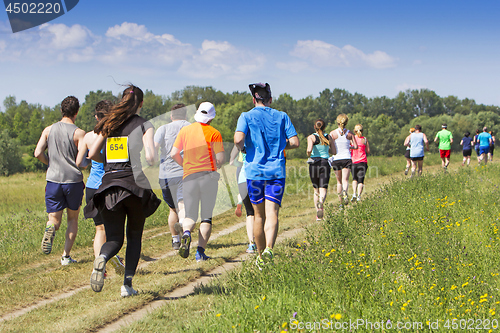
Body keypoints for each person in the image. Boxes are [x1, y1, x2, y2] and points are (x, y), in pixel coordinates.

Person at [85, 85, 160, 297]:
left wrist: (109, 162)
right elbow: (151, 157)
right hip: (134, 187)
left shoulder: (108, 123)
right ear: (141, 103)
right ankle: (127, 285)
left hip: (108, 186)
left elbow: (91, 153)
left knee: (114, 239)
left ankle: (102, 258)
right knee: (134, 236)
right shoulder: (143, 123)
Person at [234, 82, 299, 270]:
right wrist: (279, 146)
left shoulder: (246, 116)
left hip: (254, 172)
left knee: (258, 215)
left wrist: (244, 148)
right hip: (276, 171)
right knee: (273, 213)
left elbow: (238, 139)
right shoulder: (282, 116)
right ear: (270, 99)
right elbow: (295, 142)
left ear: (254, 99)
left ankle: (261, 256)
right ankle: (270, 248)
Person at [34, 96, 86, 265]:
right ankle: (65, 256)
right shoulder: (79, 133)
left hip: (53, 180)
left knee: (55, 219)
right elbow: (81, 162)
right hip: (73, 181)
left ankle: (50, 226)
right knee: (72, 219)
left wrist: (50, 163)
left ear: (61, 110)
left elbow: (37, 153)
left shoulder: (48, 130)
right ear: (76, 112)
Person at [171, 102, 225, 262]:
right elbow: (221, 158)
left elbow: (174, 153)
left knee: (190, 214)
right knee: (206, 216)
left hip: (189, 178)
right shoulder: (215, 133)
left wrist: (186, 165)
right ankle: (200, 253)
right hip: (208, 178)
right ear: (211, 117)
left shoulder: (185, 131)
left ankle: (186, 233)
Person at [76, 100, 124, 274]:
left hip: (92, 186)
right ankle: (108, 257)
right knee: (114, 229)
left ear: (96, 116)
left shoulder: (88, 136)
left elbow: (80, 162)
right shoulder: (116, 135)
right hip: (111, 185)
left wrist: (91, 161)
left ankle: (99, 266)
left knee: (99, 228)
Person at [154, 103, 190, 250]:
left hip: (165, 174)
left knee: (172, 209)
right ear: (185, 115)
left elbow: (154, 148)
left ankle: (175, 240)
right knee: (182, 205)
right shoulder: (190, 127)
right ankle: (183, 227)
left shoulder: (163, 128)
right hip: (184, 172)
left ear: (171, 115)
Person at [306, 119, 335, 220]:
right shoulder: (329, 137)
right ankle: (321, 204)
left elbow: (309, 150)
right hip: (325, 163)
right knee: (323, 188)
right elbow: (334, 152)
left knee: (316, 189)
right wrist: (327, 149)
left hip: (314, 163)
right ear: (324, 127)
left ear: (315, 127)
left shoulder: (311, 137)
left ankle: (318, 215)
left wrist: (308, 154)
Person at [230, 146, 256, 253]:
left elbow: (231, 162)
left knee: (250, 213)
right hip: (257, 178)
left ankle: (251, 244)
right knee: (259, 212)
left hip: (243, 178)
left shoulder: (241, 142)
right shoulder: (259, 138)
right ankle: (262, 241)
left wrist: (242, 164)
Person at [329, 114, 357, 207]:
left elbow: (330, 147)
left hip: (336, 158)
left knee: (339, 182)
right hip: (347, 158)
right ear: (346, 123)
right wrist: (349, 146)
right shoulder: (350, 134)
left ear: (337, 122)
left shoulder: (332, 134)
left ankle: (341, 202)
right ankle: (345, 192)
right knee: (345, 180)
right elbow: (356, 146)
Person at [351, 124, 370, 202]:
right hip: (362, 162)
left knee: (354, 179)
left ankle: (354, 193)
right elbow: (368, 151)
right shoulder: (365, 139)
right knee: (361, 180)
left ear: (354, 131)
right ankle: (359, 196)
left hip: (353, 161)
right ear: (362, 131)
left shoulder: (352, 139)